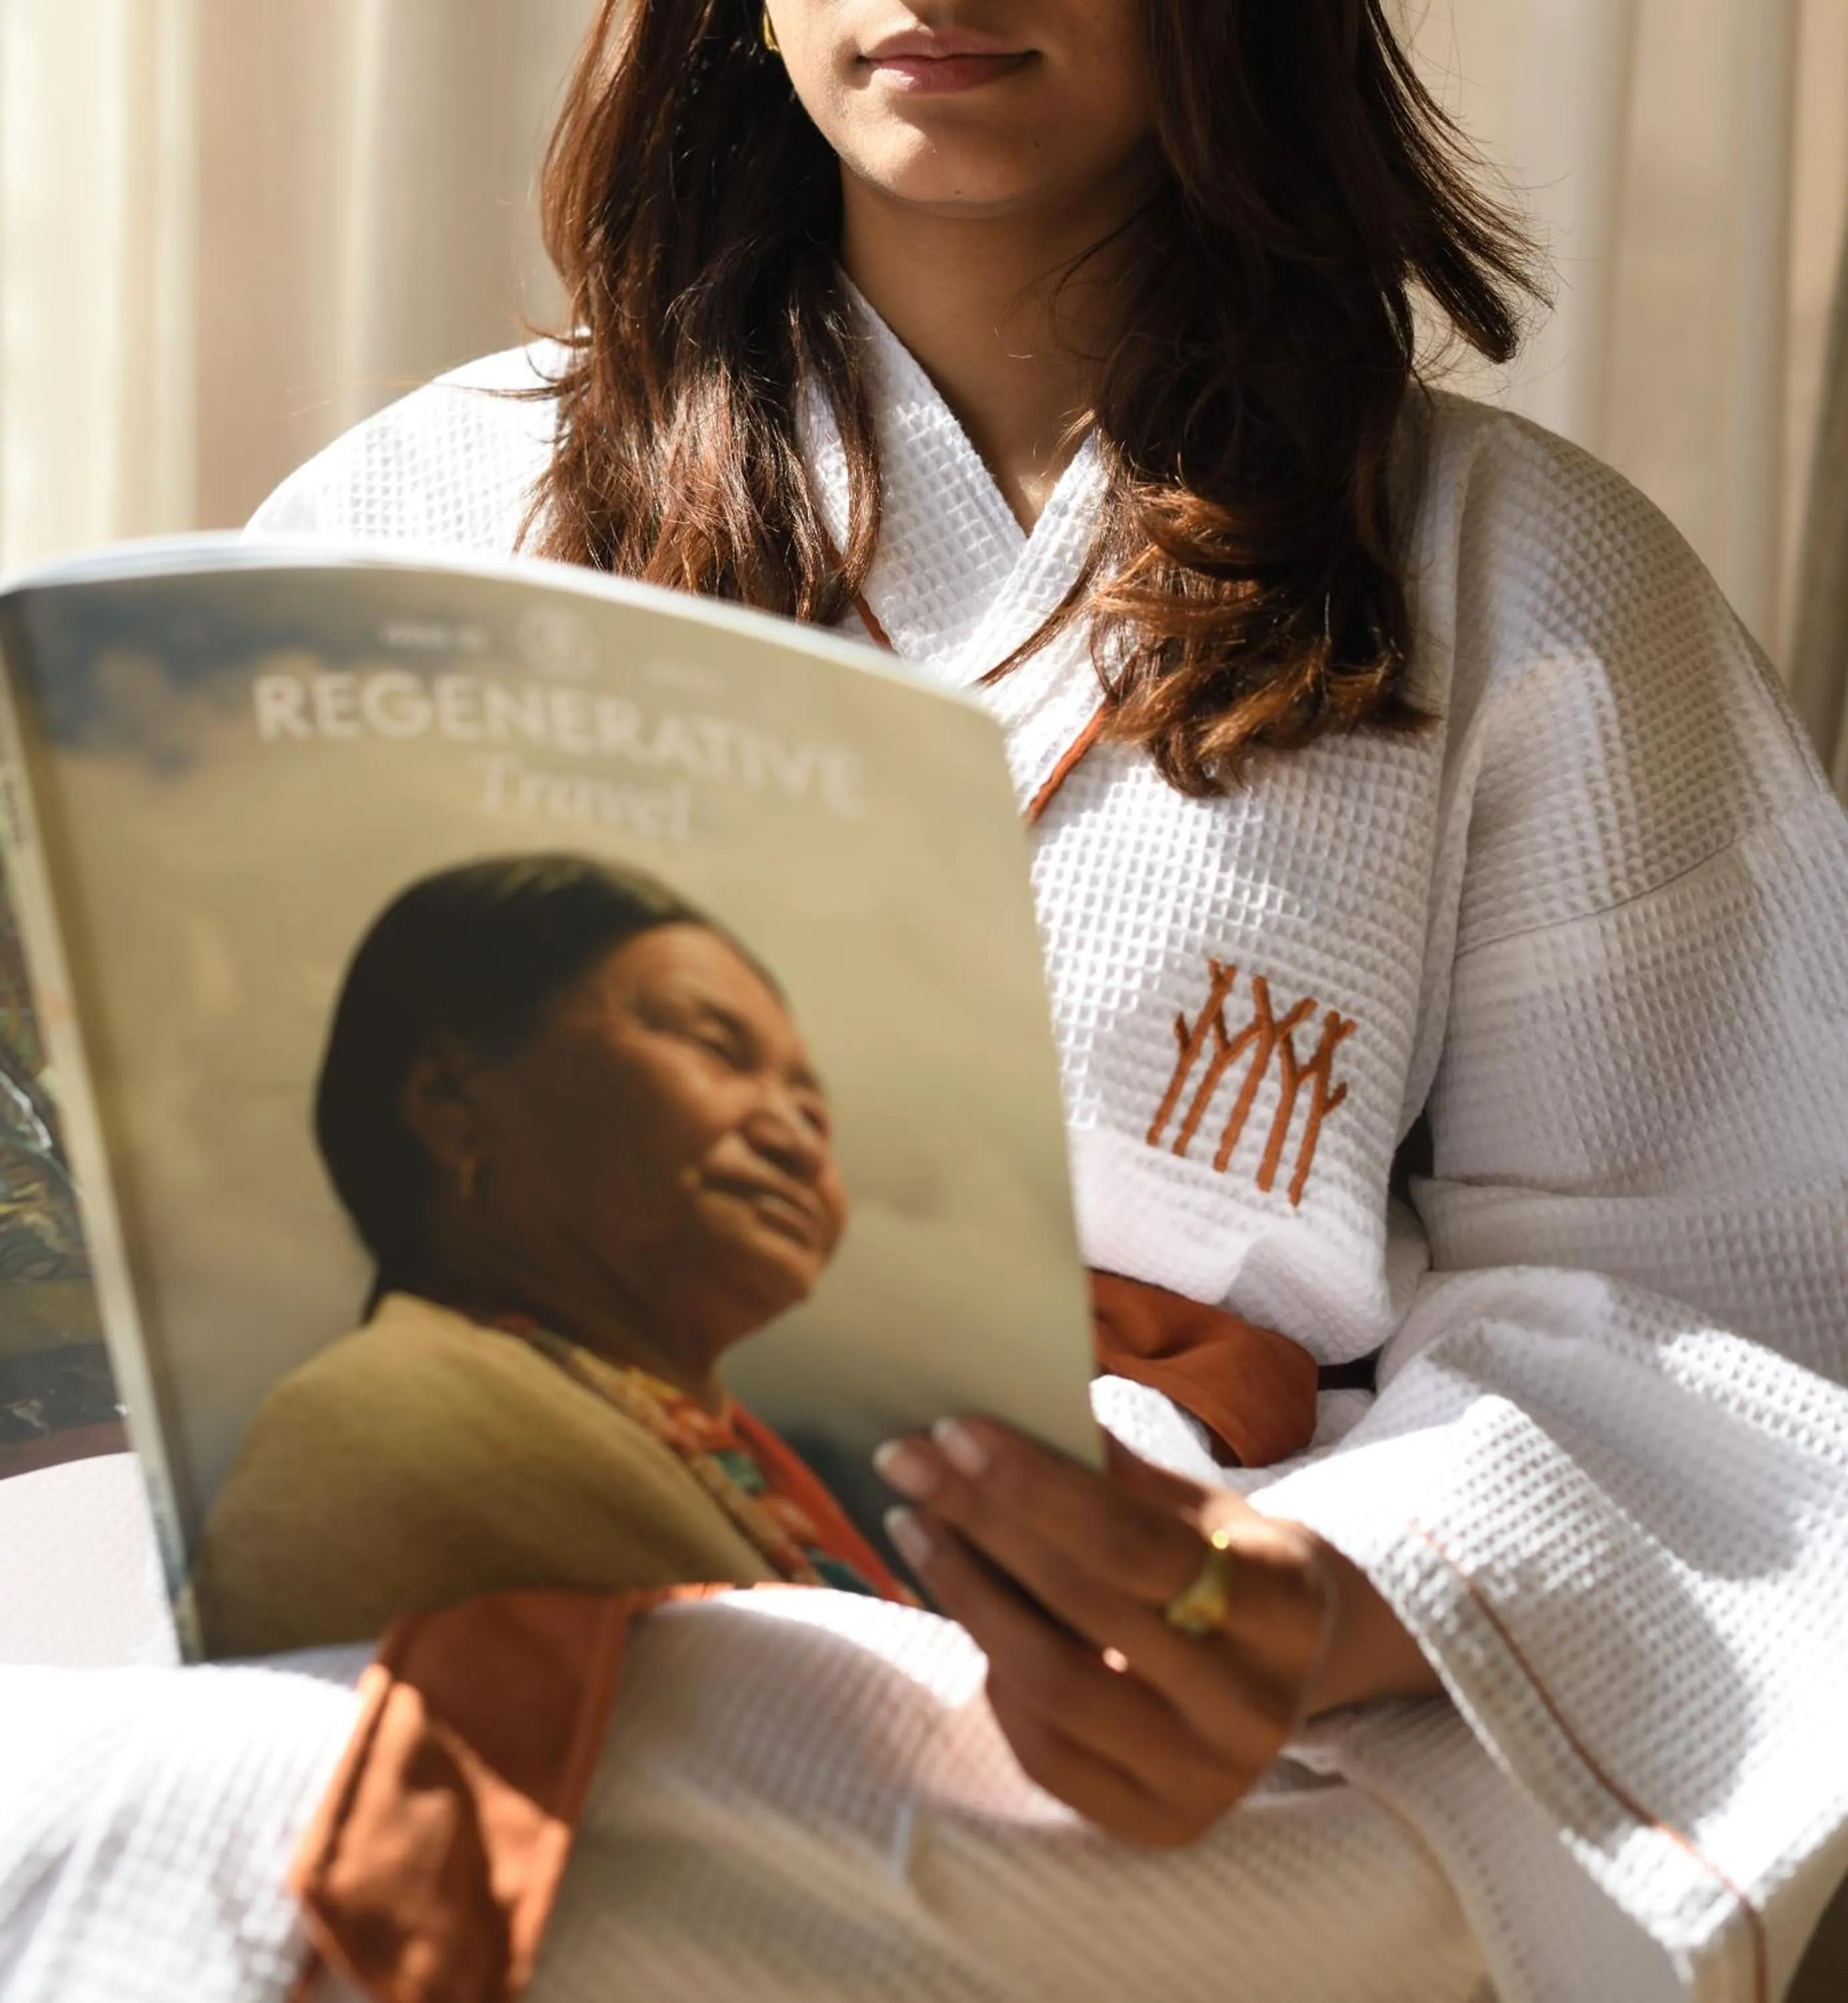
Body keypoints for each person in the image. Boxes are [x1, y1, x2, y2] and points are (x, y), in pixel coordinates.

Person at [248, 1, 1848, 1994]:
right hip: (472, 1575)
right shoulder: (415, 520)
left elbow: (1718, 1294)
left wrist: (1313, 1602)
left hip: (1169, 1688)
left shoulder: (1523, 580)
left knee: (707, 1843)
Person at [192, 855, 905, 1657]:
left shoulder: (717, 1445)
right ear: (453, 1101)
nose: (793, 1141)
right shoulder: (379, 1424)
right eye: (715, 1048)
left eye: (813, 1108)